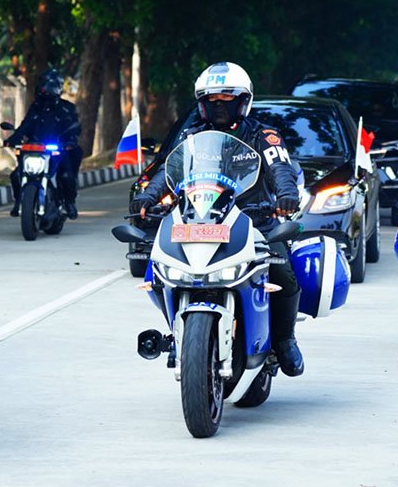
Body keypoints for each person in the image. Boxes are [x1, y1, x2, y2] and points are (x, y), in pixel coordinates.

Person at [130, 61, 305, 376]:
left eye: (227, 100)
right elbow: (169, 170)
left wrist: (286, 195)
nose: (219, 106)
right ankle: (177, 329)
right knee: (156, 271)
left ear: (243, 102)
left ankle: (284, 339)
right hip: (198, 218)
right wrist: (147, 197)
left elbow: (281, 169)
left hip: (253, 219)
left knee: (284, 274)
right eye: (212, 101)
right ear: (202, 104)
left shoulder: (264, 135)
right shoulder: (192, 135)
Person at [4, 68, 83, 219]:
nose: (46, 89)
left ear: (58, 88)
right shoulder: (35, 107)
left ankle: (69, 202)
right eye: (44, 85)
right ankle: (19, 201)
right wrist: (12, 140)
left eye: (51, 86)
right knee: (16, 175)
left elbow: (74, 127)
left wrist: (70, 140)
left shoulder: (67, 108)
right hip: (34, 149)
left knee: (66, 175)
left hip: (57, 149)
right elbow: (25, 126)